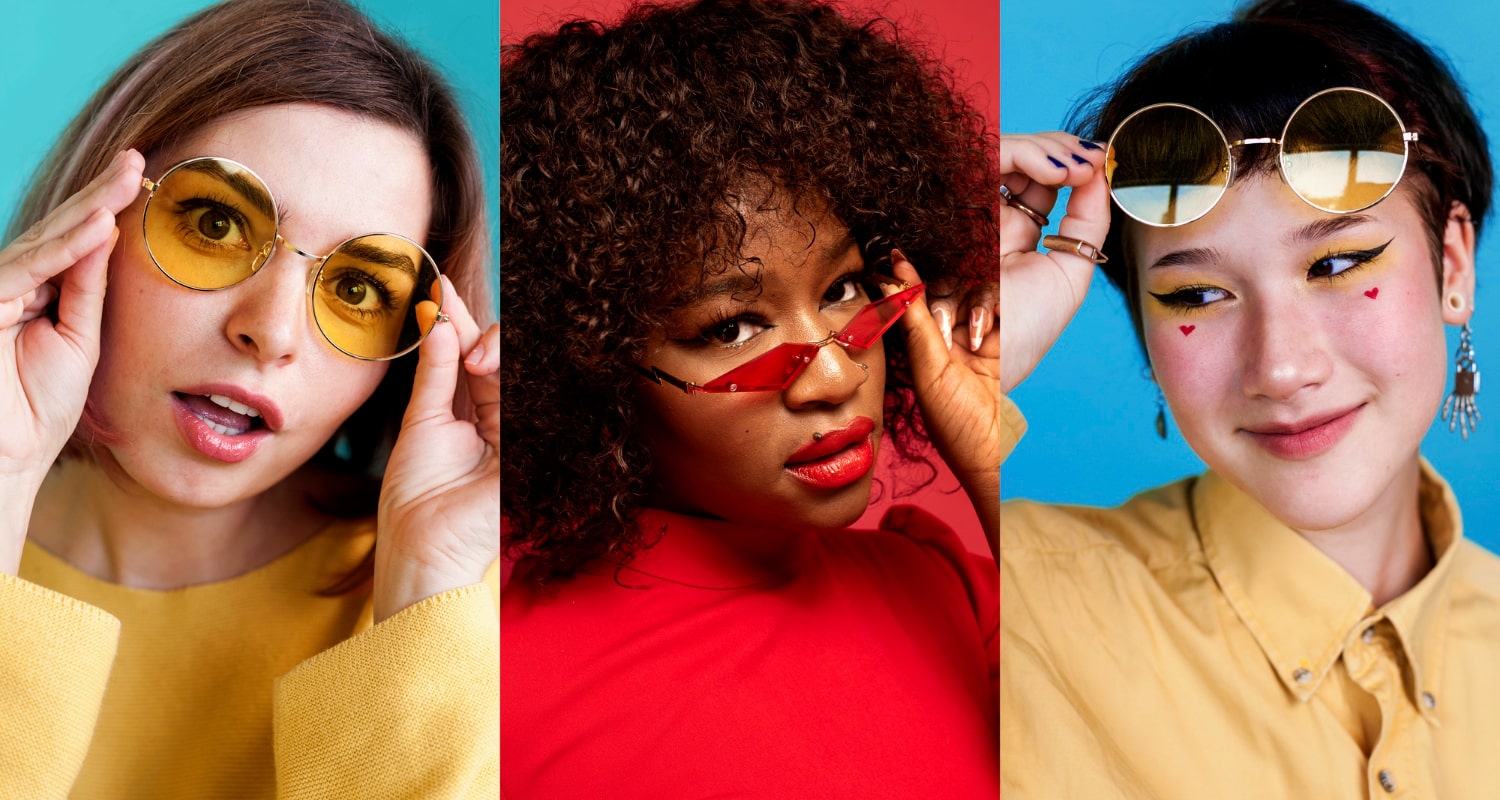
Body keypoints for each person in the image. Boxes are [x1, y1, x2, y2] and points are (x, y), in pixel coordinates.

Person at [1000, 0, 1500, 796]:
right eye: (1196, 294)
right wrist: (972, 354)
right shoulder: (1007, 602)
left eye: (1337, 265)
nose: (1281, 368)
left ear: (1454, 264)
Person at [499, 0, 999, 795]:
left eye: (843, 288)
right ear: (588, 364)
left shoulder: (951, 591)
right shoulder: (474, 656)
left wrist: (992, 456)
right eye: (731, 330)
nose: (833, 376)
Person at [0, 0, 499, 796]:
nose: (272, 332)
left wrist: (425, 605)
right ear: (91, 220)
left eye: (360, 287)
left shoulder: (472, 611)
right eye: (215, 222)